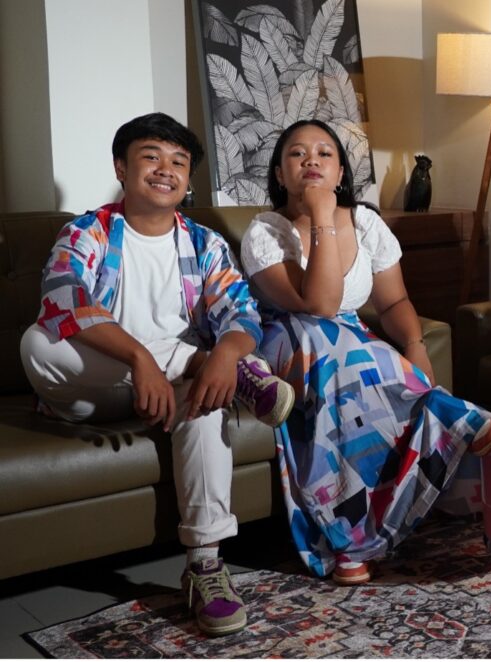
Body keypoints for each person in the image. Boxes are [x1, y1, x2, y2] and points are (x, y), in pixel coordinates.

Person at [20, 112, 295, 637]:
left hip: (174, 392)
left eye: (178, 162)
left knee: (207, 399)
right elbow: (63, 299)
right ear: (121, 169)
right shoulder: (87, 232)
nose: (165, 169)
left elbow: (241, 314)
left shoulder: (204, 243)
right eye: (151, 157)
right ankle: (200, 364)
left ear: (188, 179)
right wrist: (142, 360)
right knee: (37, 342)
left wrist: (225, 355)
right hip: (93, 389)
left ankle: (206, 567)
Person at [239, 119, 491, 585]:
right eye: (297, 154)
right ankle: (351, 532)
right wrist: (322, 216)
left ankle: (362, 530)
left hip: (350, 340)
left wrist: (414, 345)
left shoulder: (366, 223)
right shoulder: (264, 231)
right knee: (335, 348)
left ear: (341, 171)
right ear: (280, 174)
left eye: (325, 153)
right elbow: (319, 306)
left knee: (362, 357)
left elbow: (393, 303)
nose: (311, 161)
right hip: (290, 338)